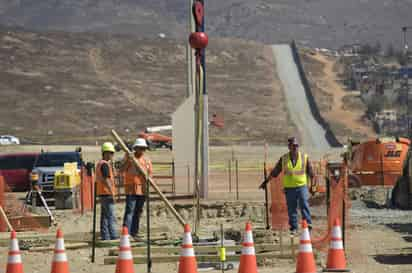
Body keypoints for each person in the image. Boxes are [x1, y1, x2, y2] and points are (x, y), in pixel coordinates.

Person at [259, 137, 314, 234]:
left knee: (304, 205)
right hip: (289, 189)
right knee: (291, 208)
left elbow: (311, 173)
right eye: (293, 146)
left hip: (302, 187)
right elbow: (275, 172)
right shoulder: (284, 159)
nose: (295, 147)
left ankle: (308, 226)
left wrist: (312, 186)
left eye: (297, 145)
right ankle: (294, 228)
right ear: (289, 147)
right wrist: (265, 182)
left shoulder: (304, 158)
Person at [119, 138, 153, 239]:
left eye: (143, 148)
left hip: (142, 190)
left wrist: (148, 185)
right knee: (130, 211)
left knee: (138, 212)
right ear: (136, 148)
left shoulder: (146, 160)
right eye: (140, 148)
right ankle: (126, 233)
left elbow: (150, 174)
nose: (141, 150)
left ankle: (134, 232)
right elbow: (121, 169)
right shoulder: (129, 157)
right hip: (131, 188)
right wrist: (128, 160)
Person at [96, 142, 118, 240]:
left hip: (102, 193)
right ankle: (113, 235)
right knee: (111, 216)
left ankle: (105, 236)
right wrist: (112, 193)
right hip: (107, 193)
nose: (112, 155)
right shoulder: (104, 165)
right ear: (106, 153)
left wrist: (112, 166)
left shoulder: (102, 164)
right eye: (111, 153)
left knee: (104, 216)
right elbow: (107, 179)